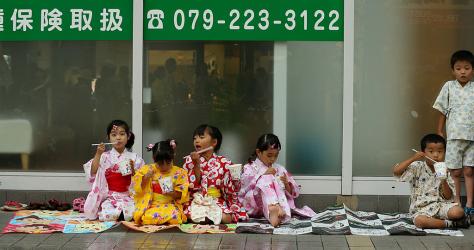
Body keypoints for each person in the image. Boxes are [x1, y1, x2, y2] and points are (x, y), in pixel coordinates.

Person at [393, 134, 469, 229]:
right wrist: (413, 158)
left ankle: (437, 222)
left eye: (440, 151)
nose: (436, 155)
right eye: (431, 151)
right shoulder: (418, 166)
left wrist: (443, 179)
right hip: (421, 209)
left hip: (441, 205)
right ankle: (451, 224)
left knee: (458, 212)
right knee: (420, 221)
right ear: (423, 152)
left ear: (445, 152)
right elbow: (396, 171)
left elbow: (448, 196)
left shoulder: (445, 169)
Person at [239, 134, 316, 227]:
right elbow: (243, 188)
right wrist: (262, 175)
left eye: (276, 155)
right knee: (266, 178)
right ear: (258, 152)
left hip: (279, 206)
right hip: (254, 204)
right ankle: (275, 207)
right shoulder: (249, 168)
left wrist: (286, 184)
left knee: (272, 179)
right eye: (269, 155)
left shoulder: (280, 169)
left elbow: (294, 193)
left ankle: (275, 213)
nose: (273, 159)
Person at [433, 50, 474, 214]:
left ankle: (470, 204)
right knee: (455, 171)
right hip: (454, 137)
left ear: (472, 69)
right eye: (458, 68)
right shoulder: (448, 87)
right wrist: (439, 132)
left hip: (472, 137)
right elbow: (442, 110)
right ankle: (456, 202)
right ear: (453, 70)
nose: (463, 71)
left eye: (467, 68)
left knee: (470, 170)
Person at [182, 124, 247, 224]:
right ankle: (208, 218)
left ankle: (209, 218)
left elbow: (232, 189)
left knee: (227, 218)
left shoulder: (225, 162)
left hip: (216, 200)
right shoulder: (190, 161)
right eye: (195, 138)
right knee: (190, 214)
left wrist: (235, 177)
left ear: (214, 142)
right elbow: (192, 185)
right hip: (198, 200)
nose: (197, 140)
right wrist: (196, 164)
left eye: (201, 137)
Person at [83, 120, 144, 221]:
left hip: (128, 195)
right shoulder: (104, 156)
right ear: (108, 137)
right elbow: (93, 172)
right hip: (110, 196)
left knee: (134, 212)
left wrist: (133, 170)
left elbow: (141, 179)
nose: (118, 138)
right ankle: (118, 214)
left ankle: (122, 214)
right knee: (108, 213)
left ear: (128, 136)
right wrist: (98, 154)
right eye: (114, 135)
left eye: (122, 134)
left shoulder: (134, 157)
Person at [133, 139, 189, 225]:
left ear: (173, 156)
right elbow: (137, 187)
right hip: (152, 205)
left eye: (168, 162)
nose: (164, 167)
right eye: (160, 164)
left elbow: (182, 194)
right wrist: (146, 177)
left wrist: (171, 193)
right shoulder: (147, 169)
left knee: (175, 216)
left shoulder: (180, 172)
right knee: (146, 216)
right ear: (153, 159)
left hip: (170, 204)